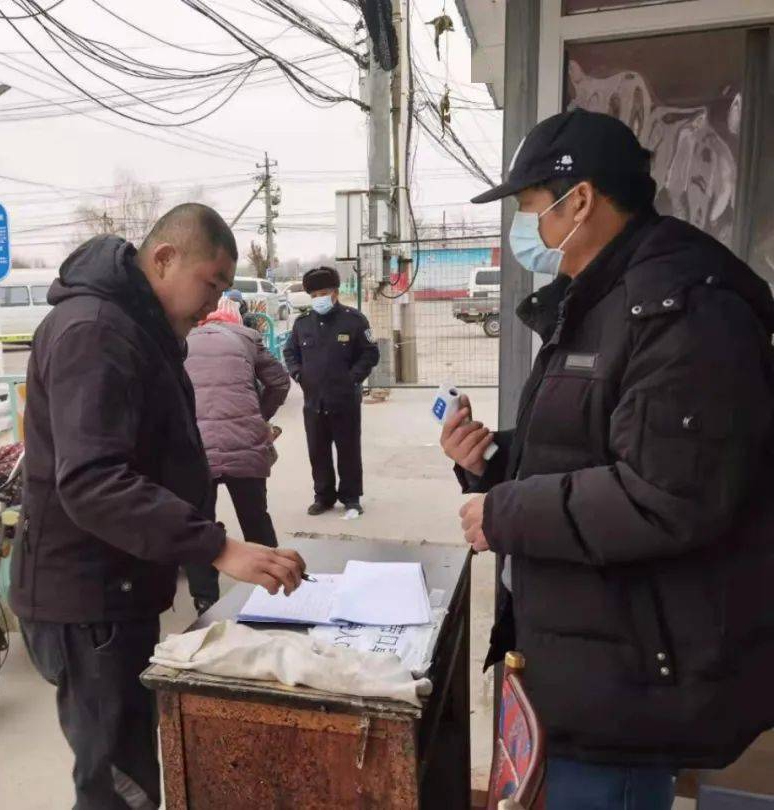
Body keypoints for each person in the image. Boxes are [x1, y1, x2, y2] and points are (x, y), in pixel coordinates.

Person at [442, 108, 774, 809]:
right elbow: (589, 448)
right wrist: (493, 462)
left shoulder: (682, 311)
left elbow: (666, 494)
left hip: (624, 682)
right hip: (579, 657)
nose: (525, 229)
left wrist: (504, 513)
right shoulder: (603, 297)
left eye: (531, 208)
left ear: (580, 200)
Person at [11, 203, 307, 810]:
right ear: (165, 259)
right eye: (213, 283)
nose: (215, 302)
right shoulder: (95, 331)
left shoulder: (139, 327)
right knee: (118, 785)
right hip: (87, 598)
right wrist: (217, 547)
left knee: (134, 765)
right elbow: (93, 481)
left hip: (119, 588)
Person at [183, 296, 291, 615]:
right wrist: (258, 417)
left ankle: (205, 600)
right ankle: (272, 586)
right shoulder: (246, 337)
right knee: (255, 517)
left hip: (195, 452)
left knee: (198, 524)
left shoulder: (179, 341)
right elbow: (280, 382)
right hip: (246, 446)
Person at [283, 266, 379, 516]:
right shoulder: (303, 324)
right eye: (313, 295)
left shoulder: (354, 320)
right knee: (318, 450)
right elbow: (290, 353)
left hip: (345, 399)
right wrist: (297, 373)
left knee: (348, 449)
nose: (318, 299)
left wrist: (352, 379)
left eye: (323, 293)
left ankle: (351, 497)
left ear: (335, 293)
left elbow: (370, 353)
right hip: (313, 400)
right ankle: (323, 496)